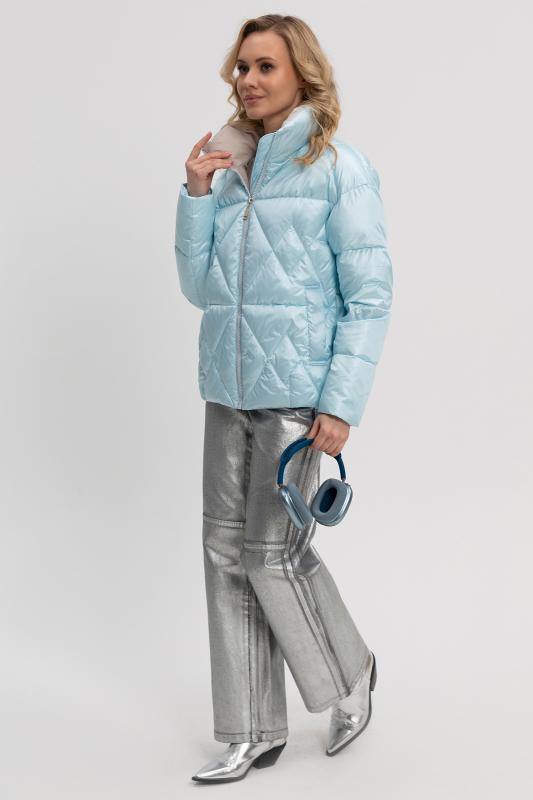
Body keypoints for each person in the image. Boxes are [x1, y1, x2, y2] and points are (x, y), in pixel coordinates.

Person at [174, 14, 393, 783]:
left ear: (301, 72)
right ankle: (249, 731)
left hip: (296, 397)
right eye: (241, 67)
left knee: (272, 555)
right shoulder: (228, 167)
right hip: (226, 388)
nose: (248, 80)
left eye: (264, 66)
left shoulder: (337, 168)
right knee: (224, 556)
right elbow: (200, 289)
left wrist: (339, 404)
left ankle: (348, 677)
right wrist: (196, 194)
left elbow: (369, 297)